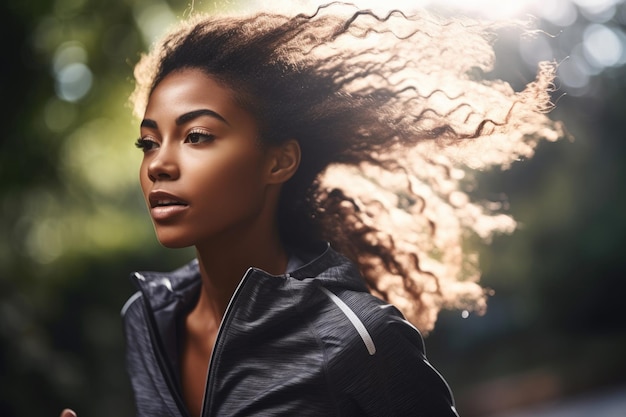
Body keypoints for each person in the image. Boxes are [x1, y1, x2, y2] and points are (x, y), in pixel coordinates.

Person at [62, 2, 563, 416]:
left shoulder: (356, 337)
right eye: (147, 143)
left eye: (197, 136)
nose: (159, 165)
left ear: (278, 161)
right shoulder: (146, 319)